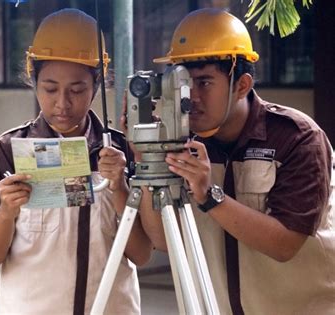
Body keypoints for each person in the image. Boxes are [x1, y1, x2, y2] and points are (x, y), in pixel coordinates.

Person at [138, 8, 335, 315]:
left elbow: (285, 244)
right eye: (184, 84)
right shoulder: (181, 141)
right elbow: (163, 239)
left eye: (204, 83)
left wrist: (209, 195)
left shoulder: (297, 138)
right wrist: (148, 162)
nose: (191, 97)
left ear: (241, 85)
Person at [0, 8, 152, 315]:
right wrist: (7, 212)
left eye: (77, 90)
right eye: (50, 89)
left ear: (97, 85)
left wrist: (119, 189)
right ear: (33, 80)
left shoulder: (123, 151)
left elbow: (141, 255)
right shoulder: (8, 151)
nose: (62, 104)